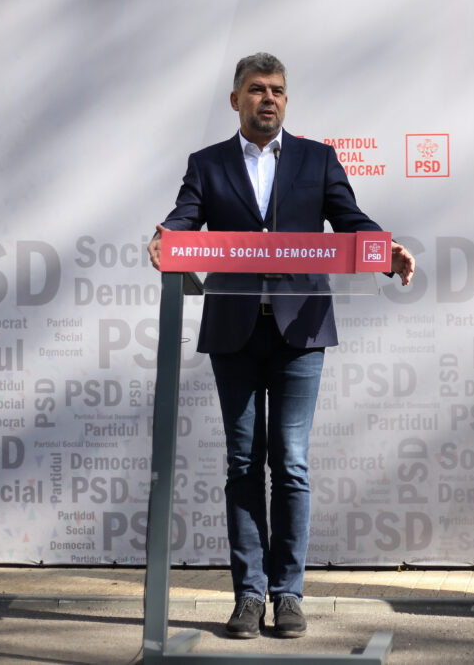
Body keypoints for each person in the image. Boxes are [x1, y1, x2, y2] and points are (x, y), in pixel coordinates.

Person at [147, 53, 415, 639]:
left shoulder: (318, 159)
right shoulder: (207, 164)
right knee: (243, 463)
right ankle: (249, 595)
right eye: (256, 89)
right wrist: (165, 238)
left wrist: (385, 250)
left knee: (290, 463)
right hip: (234, 333)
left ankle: (288, 593)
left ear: (286, 100)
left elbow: (350, 220)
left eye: (277, 90)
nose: (268, 98)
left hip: (301, 332)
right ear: (235, 100)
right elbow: (183, 220)